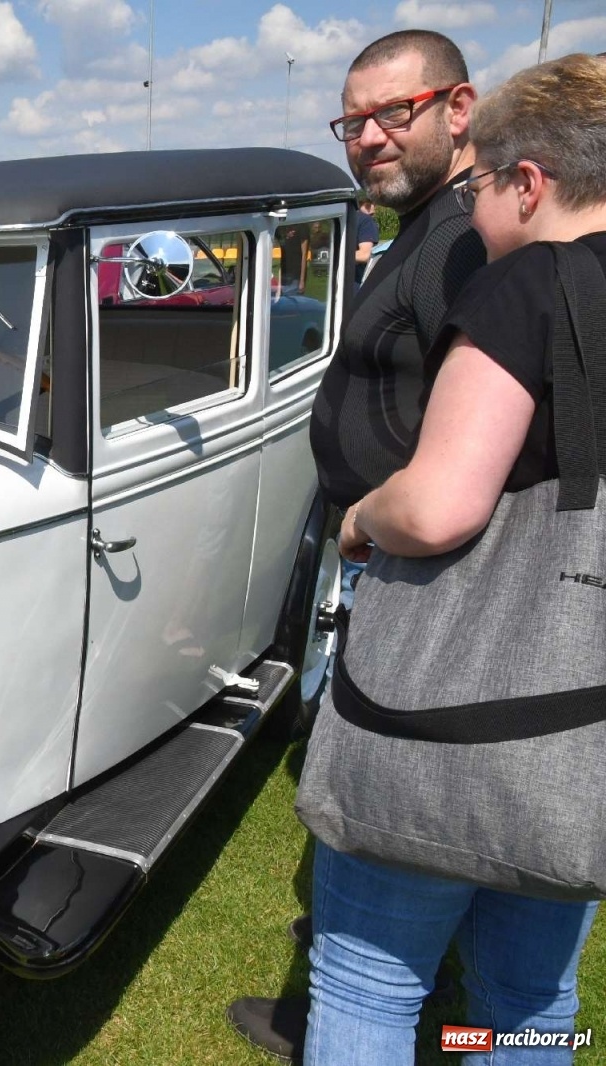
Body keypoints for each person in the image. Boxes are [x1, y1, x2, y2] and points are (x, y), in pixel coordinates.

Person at [299, 53, 606, 1065]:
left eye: (483, 188)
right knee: (530, 999)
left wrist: (361, 517)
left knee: (368, 981)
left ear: (531, 181)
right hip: (577, 726)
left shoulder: (528, 283)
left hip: (445, 713)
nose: (472, 212)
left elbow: (438, 507)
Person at [227, 28, 486, 1061]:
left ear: (458, 108)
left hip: (425, 581)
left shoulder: (465, 243)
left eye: (393, 113)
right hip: (399, 570)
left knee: (384, 825)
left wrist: (371, 518)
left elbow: (481, 429)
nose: (368, 137)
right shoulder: (427, 230)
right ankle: (438, 1009)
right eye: (352, 122)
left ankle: (371, 1000)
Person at [354, 199, 381, 284]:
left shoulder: (364, 220)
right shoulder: (365, 220)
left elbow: (365, 254)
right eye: (368, 205)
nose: (373, 209)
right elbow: (365, 255)